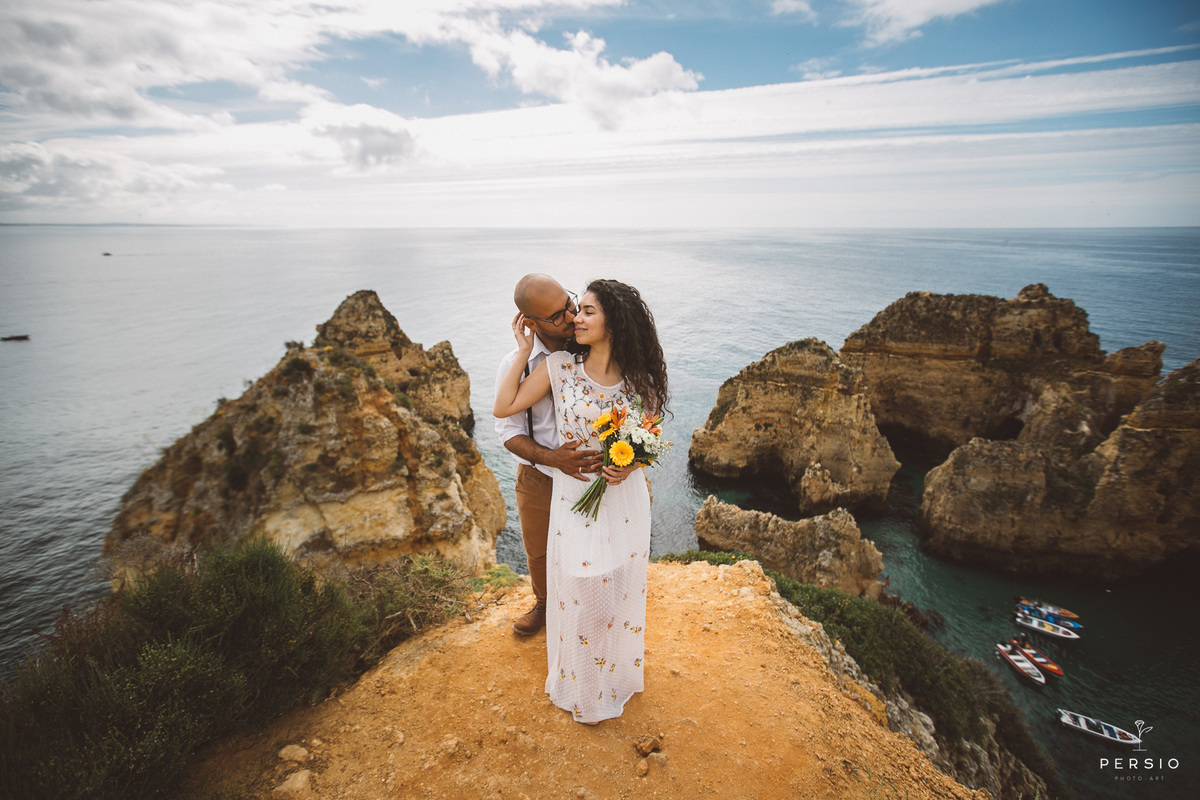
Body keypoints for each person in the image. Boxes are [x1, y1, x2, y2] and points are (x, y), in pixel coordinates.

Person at [494, 279, 668, 724]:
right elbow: (503, 412)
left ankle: (612, 674)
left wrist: (631, 464)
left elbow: (648, 431)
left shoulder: (638, 376)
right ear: (533, 322)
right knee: (574, 577)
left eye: (582, 309)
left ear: (614, 321)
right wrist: (520, 351)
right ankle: (580, 680)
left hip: (620, 495)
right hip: (559, 486)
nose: (574, 318)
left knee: (617, 582)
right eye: (569, 313)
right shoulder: (555, 366)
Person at [494, 274, 603, 636]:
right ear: (530, 323)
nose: (572, 317)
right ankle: (543, 605)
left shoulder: (593, 348)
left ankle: (591, 608)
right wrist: (551, 458)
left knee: (592, 547)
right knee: (539, 551)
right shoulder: (516, 365)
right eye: (558, 316)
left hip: (592, 475)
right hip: (538, 475)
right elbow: (507, 430)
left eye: (570, 304)